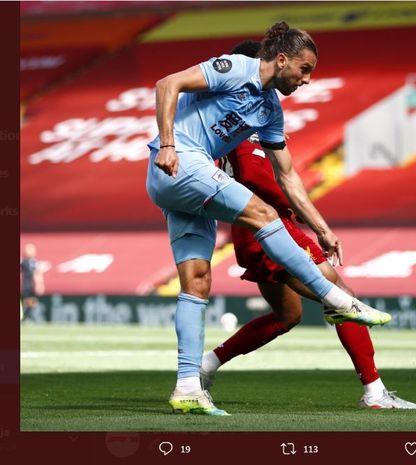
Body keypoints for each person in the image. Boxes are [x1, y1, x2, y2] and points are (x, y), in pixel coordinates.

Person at [146, 22, 391, 416]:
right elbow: (165, 84)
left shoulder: (269, 110)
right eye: (305, 69)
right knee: (263, 213)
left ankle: (188, 384)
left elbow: (289, 175)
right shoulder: (235, 68)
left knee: (197, 280)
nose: (307, 79)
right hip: (178, 161)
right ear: (281, 59)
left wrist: (324, 229)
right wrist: (170, 144)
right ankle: (335, 300)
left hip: (186, 183)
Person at [200, 134, 416, 408]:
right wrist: (294, 203)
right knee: (342, 297)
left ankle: (207, 364)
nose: (302, 86)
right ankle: (375, 393)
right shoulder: (244, 123)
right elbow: (253, 173)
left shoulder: (231, 126)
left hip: (249, 227)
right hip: (268, 223)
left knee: (287, 315)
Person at [20, 243, 44, 322]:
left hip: (32, 285)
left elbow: (37, 273)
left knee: (32, 302)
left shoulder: (34, 262)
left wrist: (39, 284)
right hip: (26, 285)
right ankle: (25, 317)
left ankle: (27, 316)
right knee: (27, 301)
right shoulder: (24, 262)